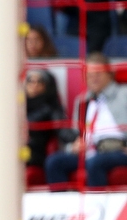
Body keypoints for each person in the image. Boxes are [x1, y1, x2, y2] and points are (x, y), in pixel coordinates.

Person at [44, 54, 127, 189]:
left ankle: (96, 208)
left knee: (95, 163)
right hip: (89, 150)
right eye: (89, 75)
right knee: (54, 162)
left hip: (118, 149)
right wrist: (73, 147)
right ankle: (64, 207)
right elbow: (76, 134)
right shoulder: (82, 101)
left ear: (109, 74)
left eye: (98, 74)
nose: (93, 79)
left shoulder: (124, 94)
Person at [25, 69, 66, 172]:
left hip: (35, 152)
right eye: (31, 81)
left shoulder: (50, 107)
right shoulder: (18, 105)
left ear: (46, 86)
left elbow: (63, 130)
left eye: (39, 82)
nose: (34, 85)